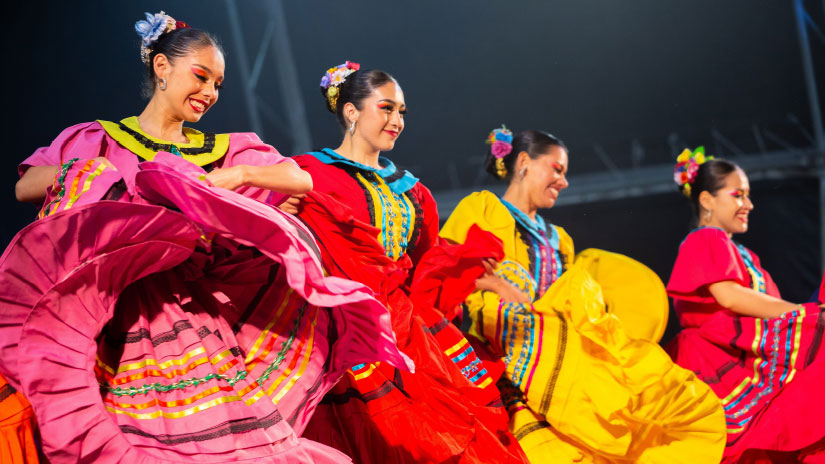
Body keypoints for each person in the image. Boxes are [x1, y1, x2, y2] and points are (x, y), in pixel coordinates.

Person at [0, 13, 411, 463]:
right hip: (110, 312)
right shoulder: (99, 139)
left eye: (217, 83)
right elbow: (24, 185)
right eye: (201, 76)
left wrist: (233, 176)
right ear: (161, 68)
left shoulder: (219, 149)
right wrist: (107, 177)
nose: (210, 93)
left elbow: (298, 178)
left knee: (217, 441)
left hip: (191, 317)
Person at [439, 127, 726, 463]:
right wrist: (499, 287)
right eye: (556, 169)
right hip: (505, 362)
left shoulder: (559, 239)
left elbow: (570, 300)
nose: (564, 182)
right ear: (523, 162)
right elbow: (447, 268)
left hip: (560, 360)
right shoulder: (483, 209)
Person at [292, 62, 528, 463]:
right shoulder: (308, 172)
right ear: (351, 112)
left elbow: (425, 267)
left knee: (455, 430)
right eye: (386, 108)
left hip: (411, 327)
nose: (397, 120)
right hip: (347, 326)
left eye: (401, 111)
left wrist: (476, 276)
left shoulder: (414, 191)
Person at [667, 147, 825, 462]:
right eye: (738, 195)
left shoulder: (746, 256)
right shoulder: (706, 238)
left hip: (742, 349)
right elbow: (729, 295)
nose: (748, 205)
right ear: (707, 200)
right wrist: (805, 313)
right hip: (718, 356)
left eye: (748, 196)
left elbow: (764, 306)